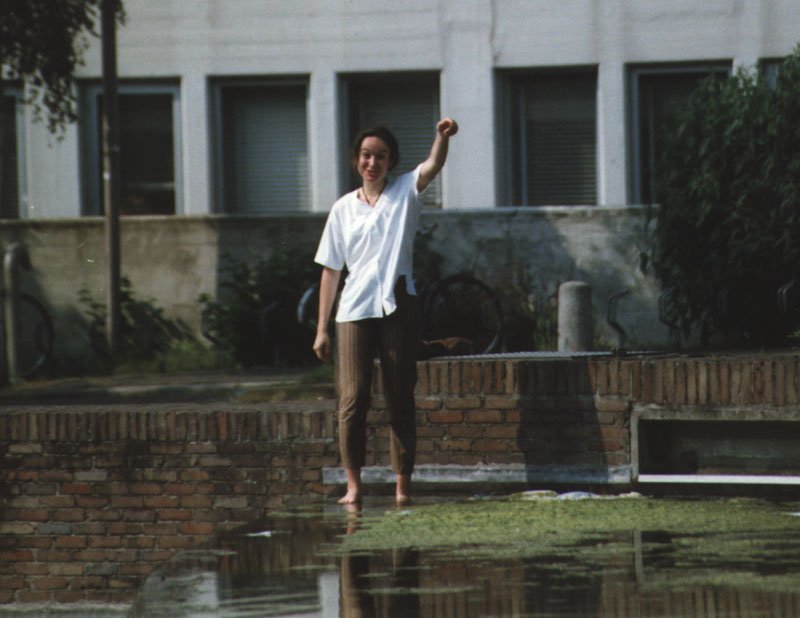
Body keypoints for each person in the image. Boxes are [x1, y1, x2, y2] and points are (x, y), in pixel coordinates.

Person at [313, 117, 459, 505]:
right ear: (356, 160)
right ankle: (354, 486)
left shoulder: (404, 191)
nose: (372, 163)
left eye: (380, 156)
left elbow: (433, 165)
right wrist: (322, 329)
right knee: (352, 398)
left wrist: (441, 136)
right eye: (366, 155)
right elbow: (331, 270)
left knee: (400, 396)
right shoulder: (342, 209)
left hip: (398, 303)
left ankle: (402, 487)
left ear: (390, 161)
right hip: (353, 310)